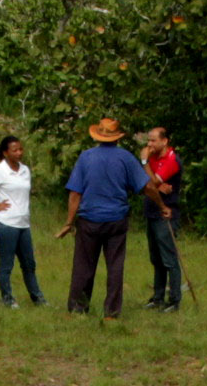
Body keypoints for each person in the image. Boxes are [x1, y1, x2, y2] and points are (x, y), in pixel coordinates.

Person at [62, 116, 151, 317]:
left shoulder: (86, 157)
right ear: (117, 138)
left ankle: (78, 309)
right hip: (116, 219)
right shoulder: (126, 158)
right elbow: (145, 186)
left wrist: (69, 221)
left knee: (83, 266)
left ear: (98, 136)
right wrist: (161, 204)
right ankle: (111, 312)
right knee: (115, 267)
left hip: (89, 219)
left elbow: (75, 193)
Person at [0, 133, 43, 308]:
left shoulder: (25, 170)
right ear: (6, 153)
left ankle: (38, 298)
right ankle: (7, 299)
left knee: (29, 264)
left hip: (23, 224)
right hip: (6, 224)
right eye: (15, 150)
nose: (19, 153)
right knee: (7, 265)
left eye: (21, 149)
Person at [139, 123, 185, 311]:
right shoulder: (153, 157)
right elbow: (143, 182)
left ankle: (174, 299)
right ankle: (157, 296)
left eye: (153, 140)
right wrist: (155, 185)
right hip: (151, 210)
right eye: (148, 140)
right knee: (155, 257)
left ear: (164, 141)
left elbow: (151, 181)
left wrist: (144, 163)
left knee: (168, 258)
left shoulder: (171, 160)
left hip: (166, 212)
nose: (150, 144)